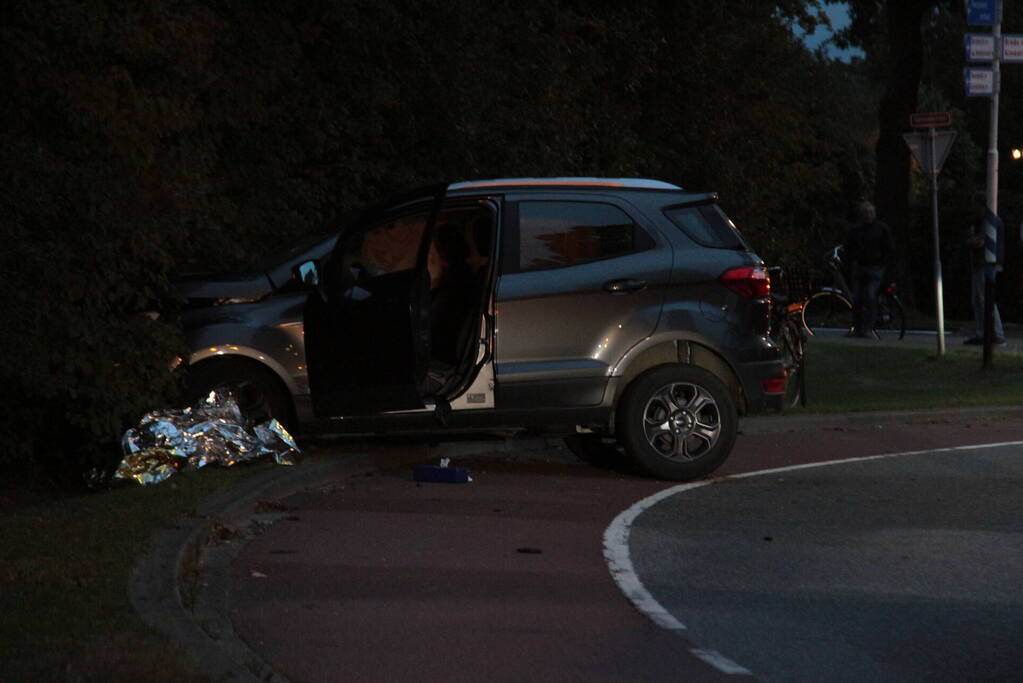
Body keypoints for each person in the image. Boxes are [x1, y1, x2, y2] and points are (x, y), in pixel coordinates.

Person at [843, 200, 895, 338]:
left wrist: (882, 263)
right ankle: (857, 327)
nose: (868, 215)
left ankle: (868, 328)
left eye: (871, 213)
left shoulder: (881, 229)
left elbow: (889, 248)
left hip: (875, 268)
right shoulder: (856, 231)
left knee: (870, 295)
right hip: (861, 267)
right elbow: (849, 247)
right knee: (857, 298)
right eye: (866, 213)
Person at [964, 191, 1006, 345]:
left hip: (985, 264)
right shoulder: (981, 221)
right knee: (978, 299)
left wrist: (971, 240)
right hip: (981, 264)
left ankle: (995, 333)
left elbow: (979, 242)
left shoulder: (989, 221)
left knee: (985, 298)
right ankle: (983, 332)